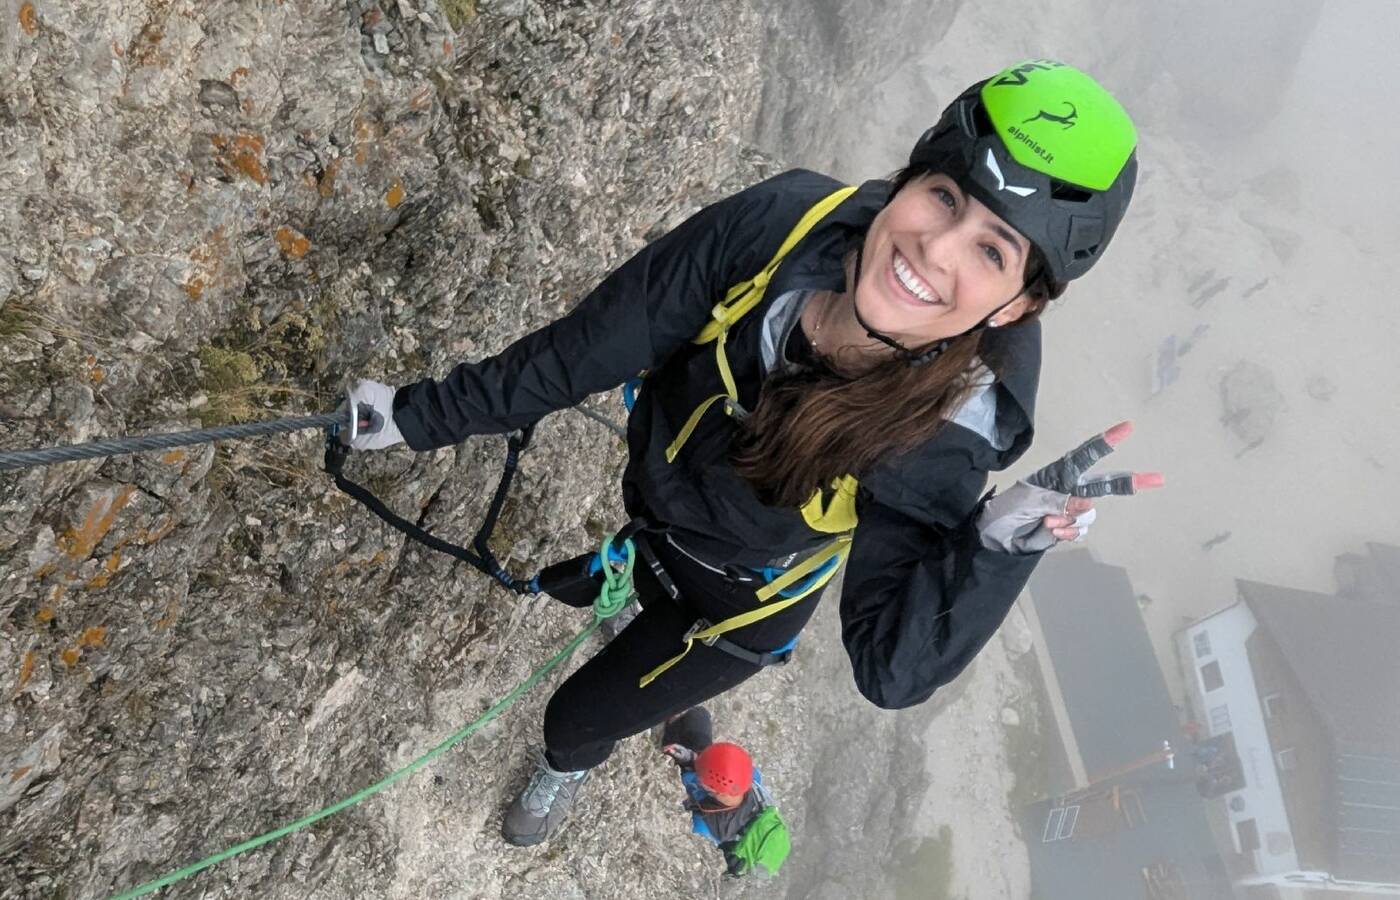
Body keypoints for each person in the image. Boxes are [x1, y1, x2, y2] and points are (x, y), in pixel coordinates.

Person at [343, 58, 1161, 846]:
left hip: (739, 609)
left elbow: (890, 668)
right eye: (945, 196)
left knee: (574, 720)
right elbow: (583, 351)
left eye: (992, 251)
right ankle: (652, 655)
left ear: (1017, 307)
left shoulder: (942, 436)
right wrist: (416, 417)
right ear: (910, 178)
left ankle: (569, 767)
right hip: (660, 514)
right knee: (609, 605)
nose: (936, 250)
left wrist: (993, 550)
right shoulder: (779, 229)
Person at [658, 706, 789, 878]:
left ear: (714, 790)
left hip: (718, 822)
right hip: (714, 786)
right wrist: (690, 758)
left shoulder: (704, 827)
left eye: (701, 776)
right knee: (699, 715)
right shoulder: (750, 777)